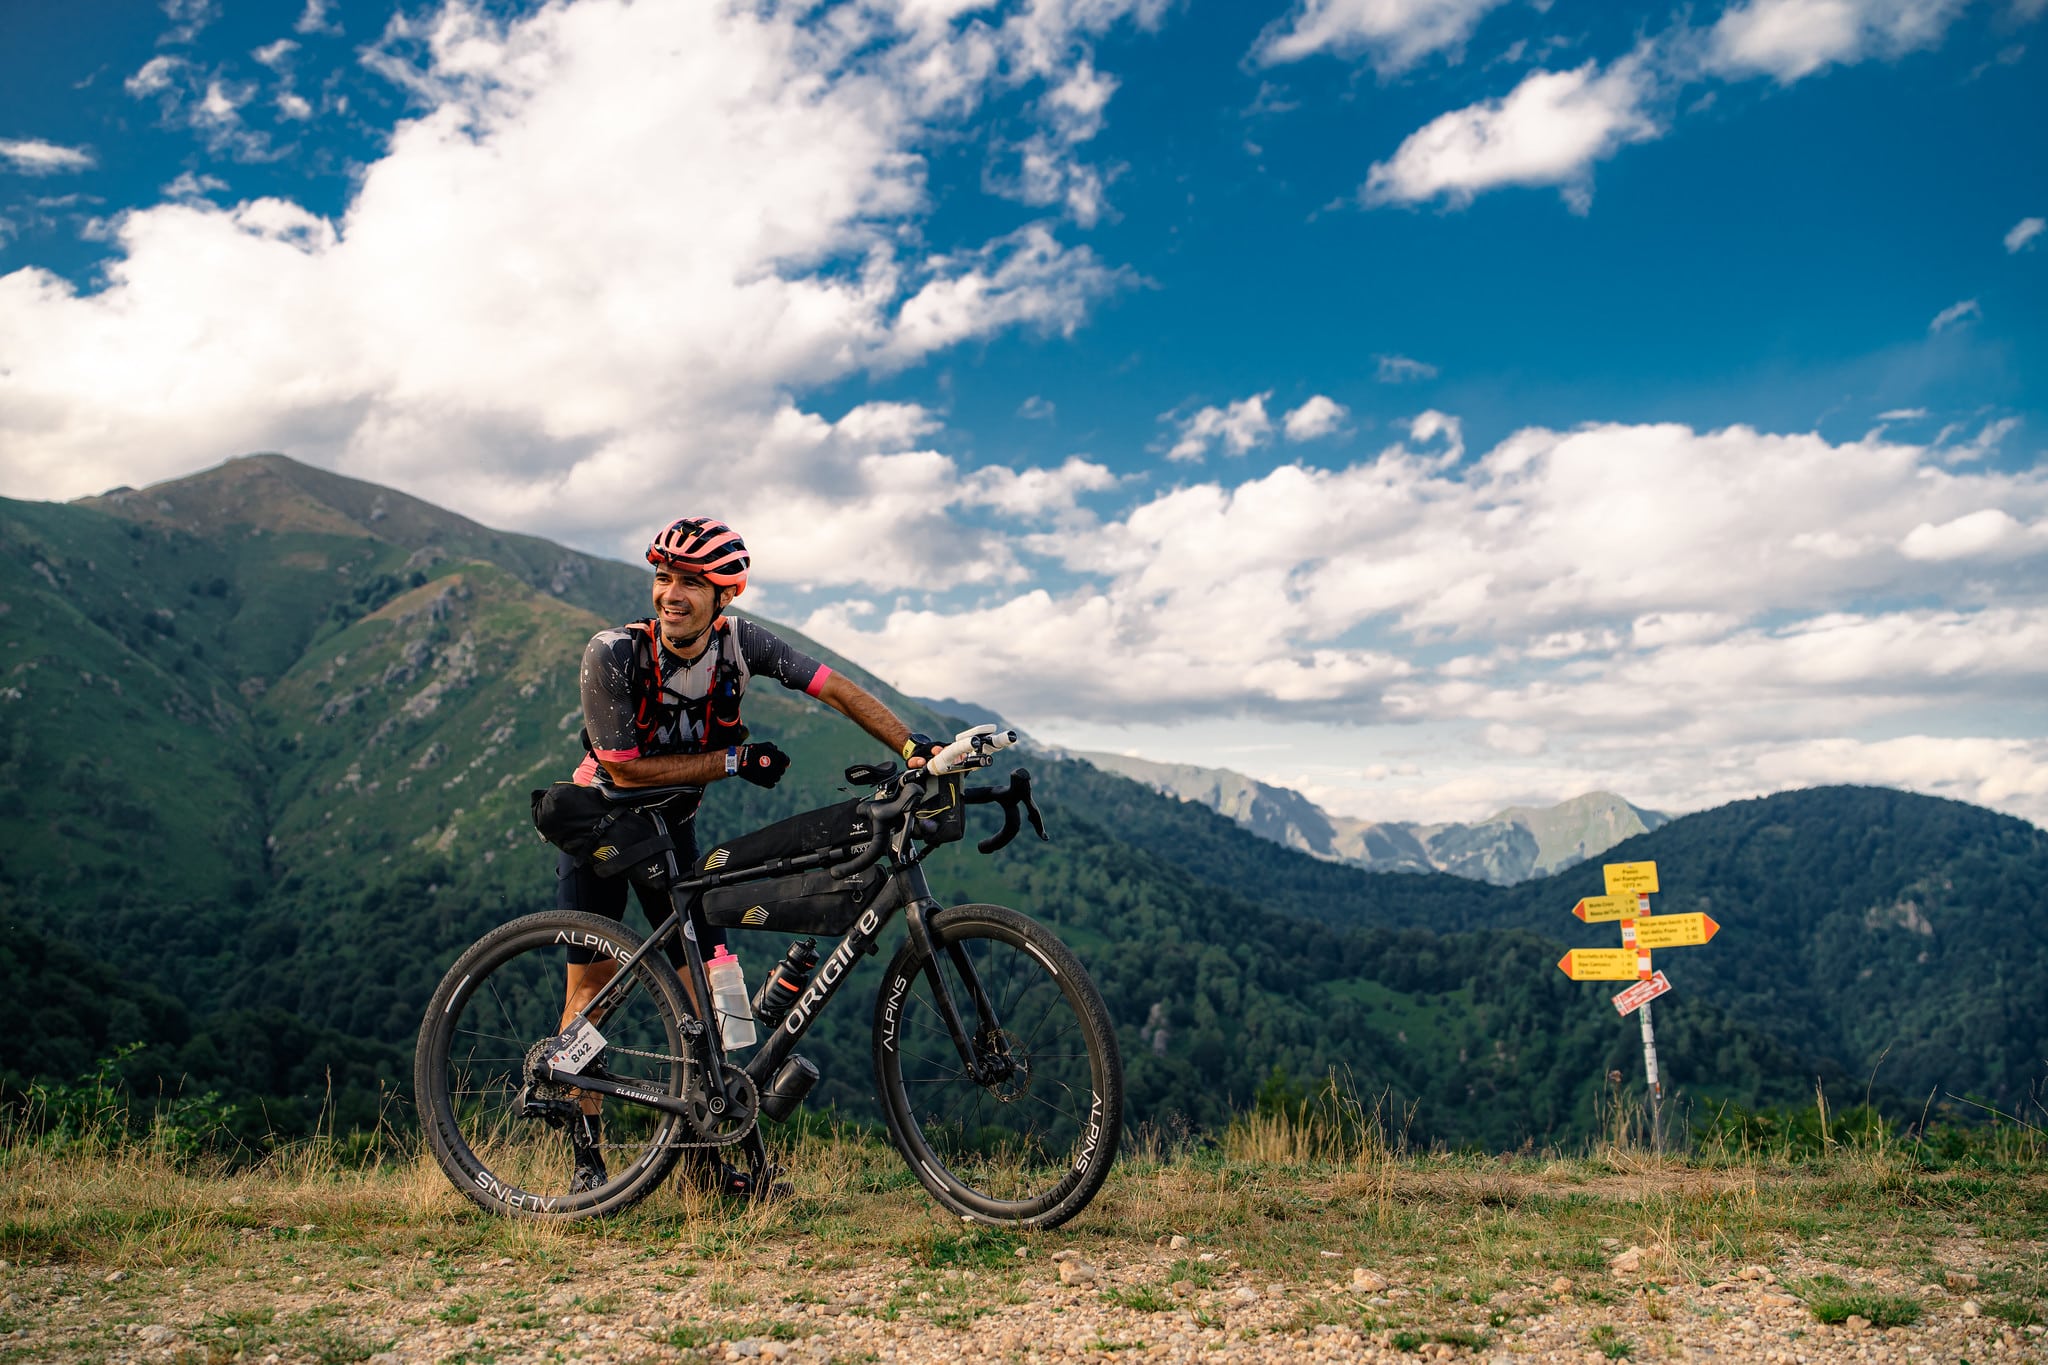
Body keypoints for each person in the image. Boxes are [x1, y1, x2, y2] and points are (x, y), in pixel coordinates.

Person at [555, 515, 931, 1196]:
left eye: (691, 582)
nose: (672, 592)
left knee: (716, 991)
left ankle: (709, 1166)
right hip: (605, 830)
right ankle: (586, 1160)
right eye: (664, 576)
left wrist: (912, 746)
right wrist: (734, 758)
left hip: (673, 835)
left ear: (724, 594)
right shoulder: (611, 651)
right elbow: (626, 767)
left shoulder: (741, 643)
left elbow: (833, 686)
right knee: (591, 993)